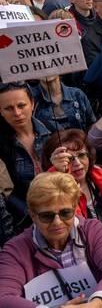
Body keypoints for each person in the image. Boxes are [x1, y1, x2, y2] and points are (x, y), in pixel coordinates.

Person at [0, 172, 102, 306]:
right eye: (47, 216)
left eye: (65, 213)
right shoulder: (15, 250)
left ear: (74, 209)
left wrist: (97, 302)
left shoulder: (92, 230)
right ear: (33, 216)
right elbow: (4, 297)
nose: (57, 222)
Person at [0, 82, 52, 229]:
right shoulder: (2, 146)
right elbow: (6, 195)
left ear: (32, 104)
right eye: (8, 108)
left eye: (21, 105)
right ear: (1, 111)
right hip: (25, 221)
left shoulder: (52, 131)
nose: (17, 113)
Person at [43, 129, 102, 232]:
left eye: (81, 155)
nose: (77, 163)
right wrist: (56, 173)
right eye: (69, 159)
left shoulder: (101, 175)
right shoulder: (49, 190)